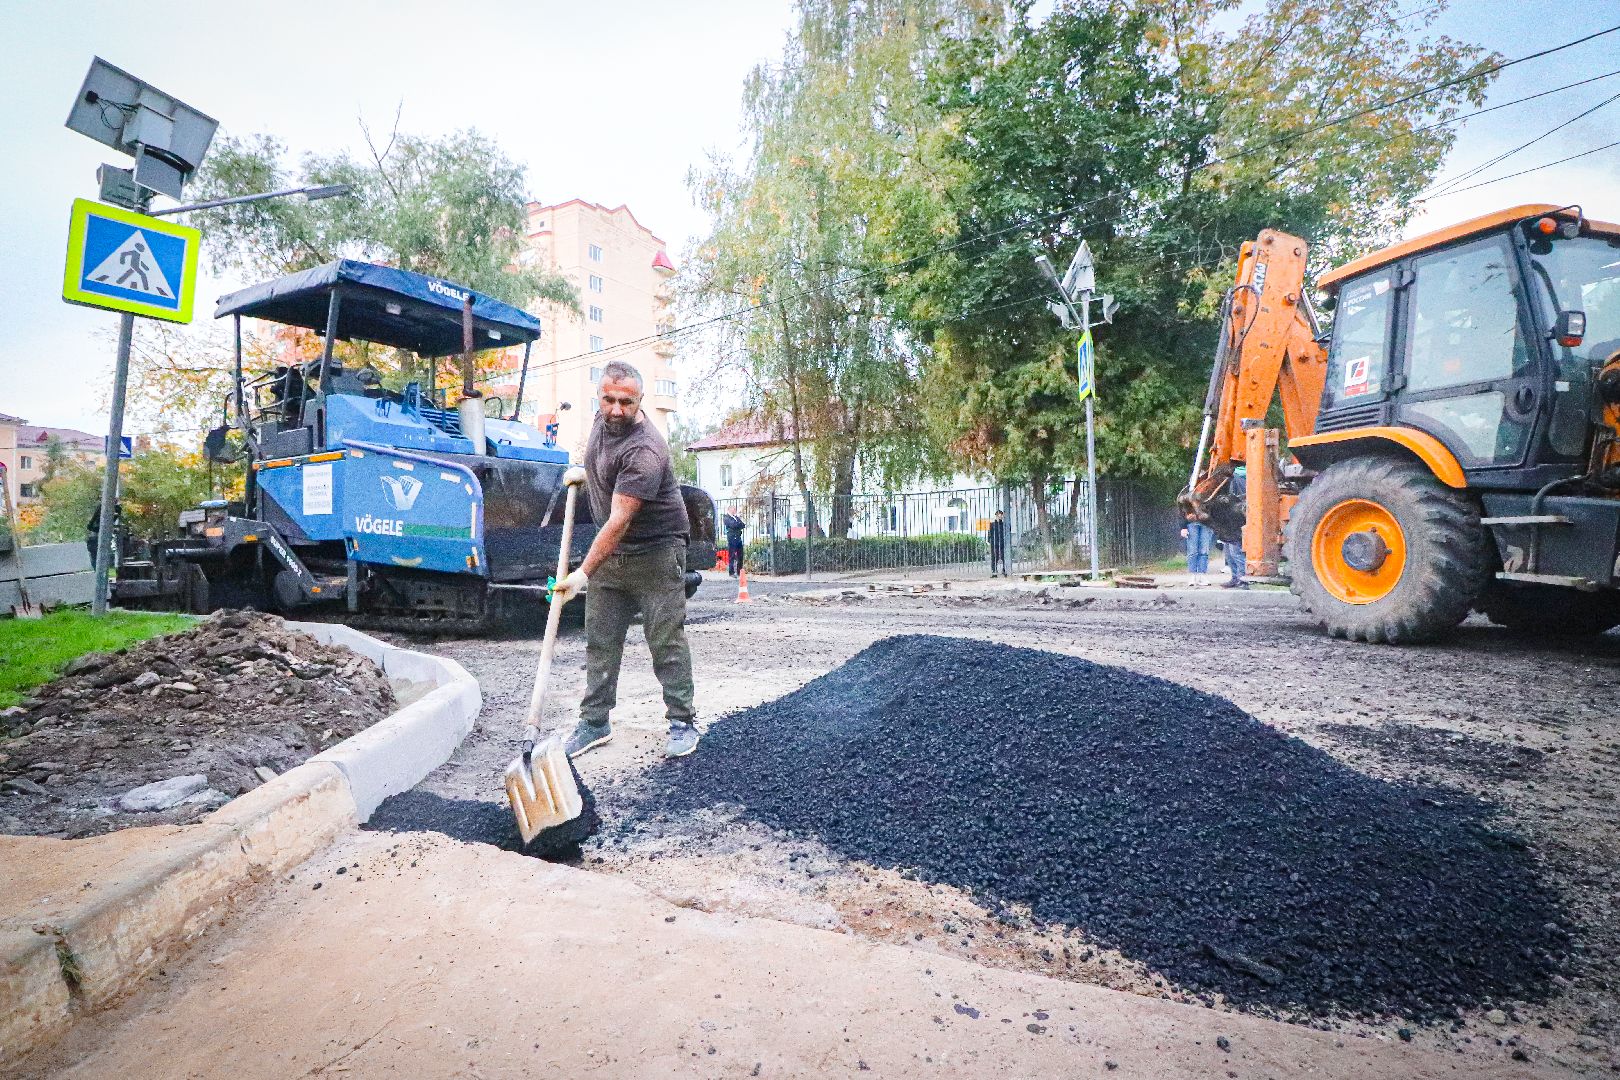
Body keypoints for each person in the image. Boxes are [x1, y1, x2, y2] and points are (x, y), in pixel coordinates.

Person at [555, 361, 701, 760]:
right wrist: (585, 473)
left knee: (665, 640)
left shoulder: (646, 450)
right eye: (608, 399)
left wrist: (582, 573)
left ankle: (682, 720)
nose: (616, 409)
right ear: (598, 397)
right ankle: (595, 723)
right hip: (612, 556)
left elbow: (620, 520)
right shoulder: (602, 424)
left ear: (640, 402)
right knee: (600, 641)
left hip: (656, 554)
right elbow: (605, 464)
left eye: (626, 402)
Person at [1222, 465, 1250, 590]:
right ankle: (1236, 578)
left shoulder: (1234, 479)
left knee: (1235, 551)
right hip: (1233, 520)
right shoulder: (1238, 478)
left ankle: (1243, 579)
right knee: (1229, 552)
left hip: (1235, 521)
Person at [722, 511, 746, 577]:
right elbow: (732, 525)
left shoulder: (736, 517)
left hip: (738, 537)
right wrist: (738, 524)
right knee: (732, 555)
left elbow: (743, 525)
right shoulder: (726, 517)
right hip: (732, 538)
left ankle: (739, 571)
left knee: (740, 555)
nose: (735, 510)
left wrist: (737, 524)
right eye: (733, 509)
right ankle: (731, 572)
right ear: (730, 509)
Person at [988, 510, 1008, 576]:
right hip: (994, 543)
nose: (1002, 516)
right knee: (994, 557)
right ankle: (994, 571)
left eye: (1002, 515)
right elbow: (990, 534)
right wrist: (989, 542)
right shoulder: (992, 524)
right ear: (997, 515)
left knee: (1004, 557)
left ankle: (1005, 570)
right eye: (1000, 515)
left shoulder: (1004, 524)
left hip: (1002, 542)